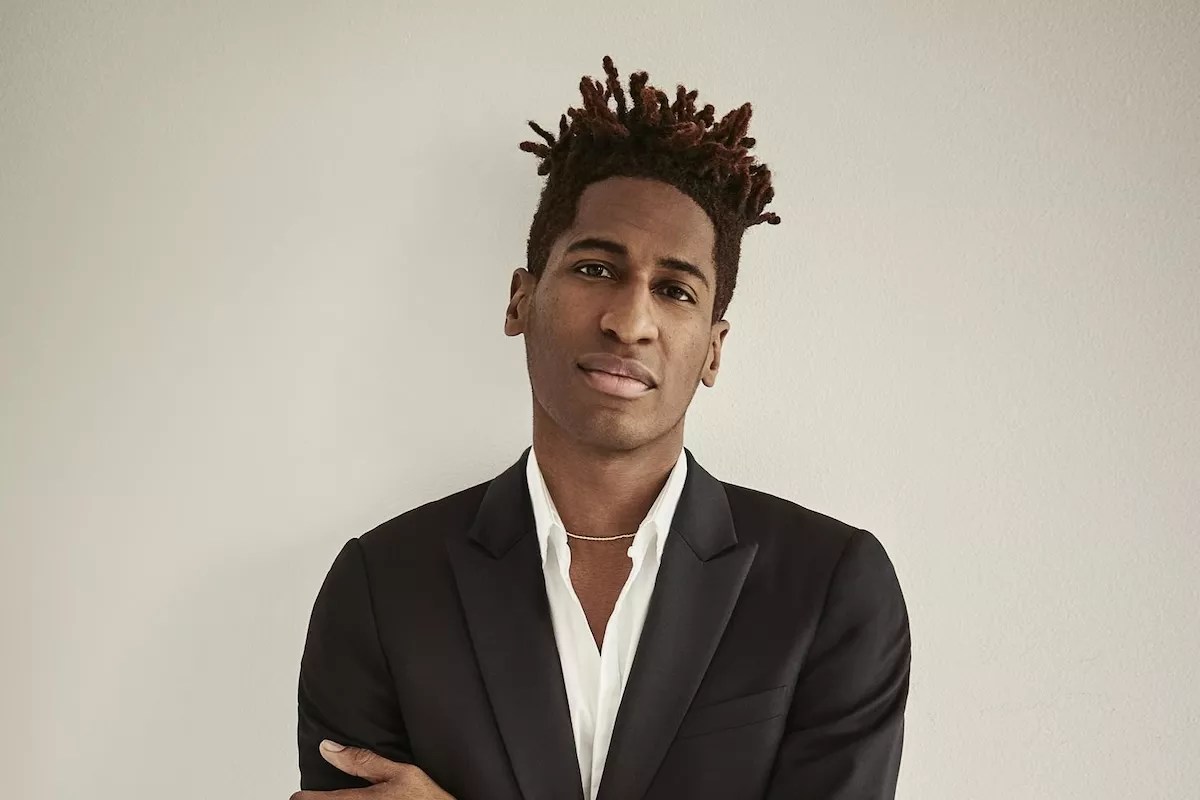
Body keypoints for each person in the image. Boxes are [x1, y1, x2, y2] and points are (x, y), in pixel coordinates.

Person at [292, 55, 911, 800]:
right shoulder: (384, 587)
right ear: (522, 300)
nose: (629, 322)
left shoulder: (830, 587)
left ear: (712, 348)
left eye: (676, 290)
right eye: (594, 270)